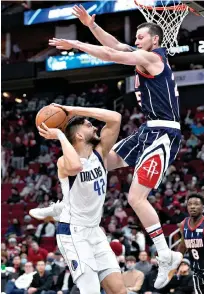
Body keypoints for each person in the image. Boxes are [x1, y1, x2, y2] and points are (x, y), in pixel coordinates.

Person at [48, 4, 183, 289]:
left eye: (140, 37)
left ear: (154, 40)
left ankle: (165, 253)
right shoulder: (143, 55)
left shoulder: (152, 58)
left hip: (164, 133)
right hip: (148, 129)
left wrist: (76, 44)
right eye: (135, 38)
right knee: (97, 162)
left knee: (136, 198)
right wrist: (91, 26)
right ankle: (67, 206)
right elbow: (115, 45)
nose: (136, 41)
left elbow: (111, 54)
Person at [31, 106, 126, 294]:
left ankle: (61, 207)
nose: (96, 128)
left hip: (95, 231)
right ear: (80, 137)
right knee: (90, 291)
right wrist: (60, 135)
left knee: (119, 291)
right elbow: (75, 166)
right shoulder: (63, 162)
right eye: (90, 125)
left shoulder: (100, 153)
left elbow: (115, 117)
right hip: (73, 233)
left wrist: (71, 109)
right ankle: (62, 209)